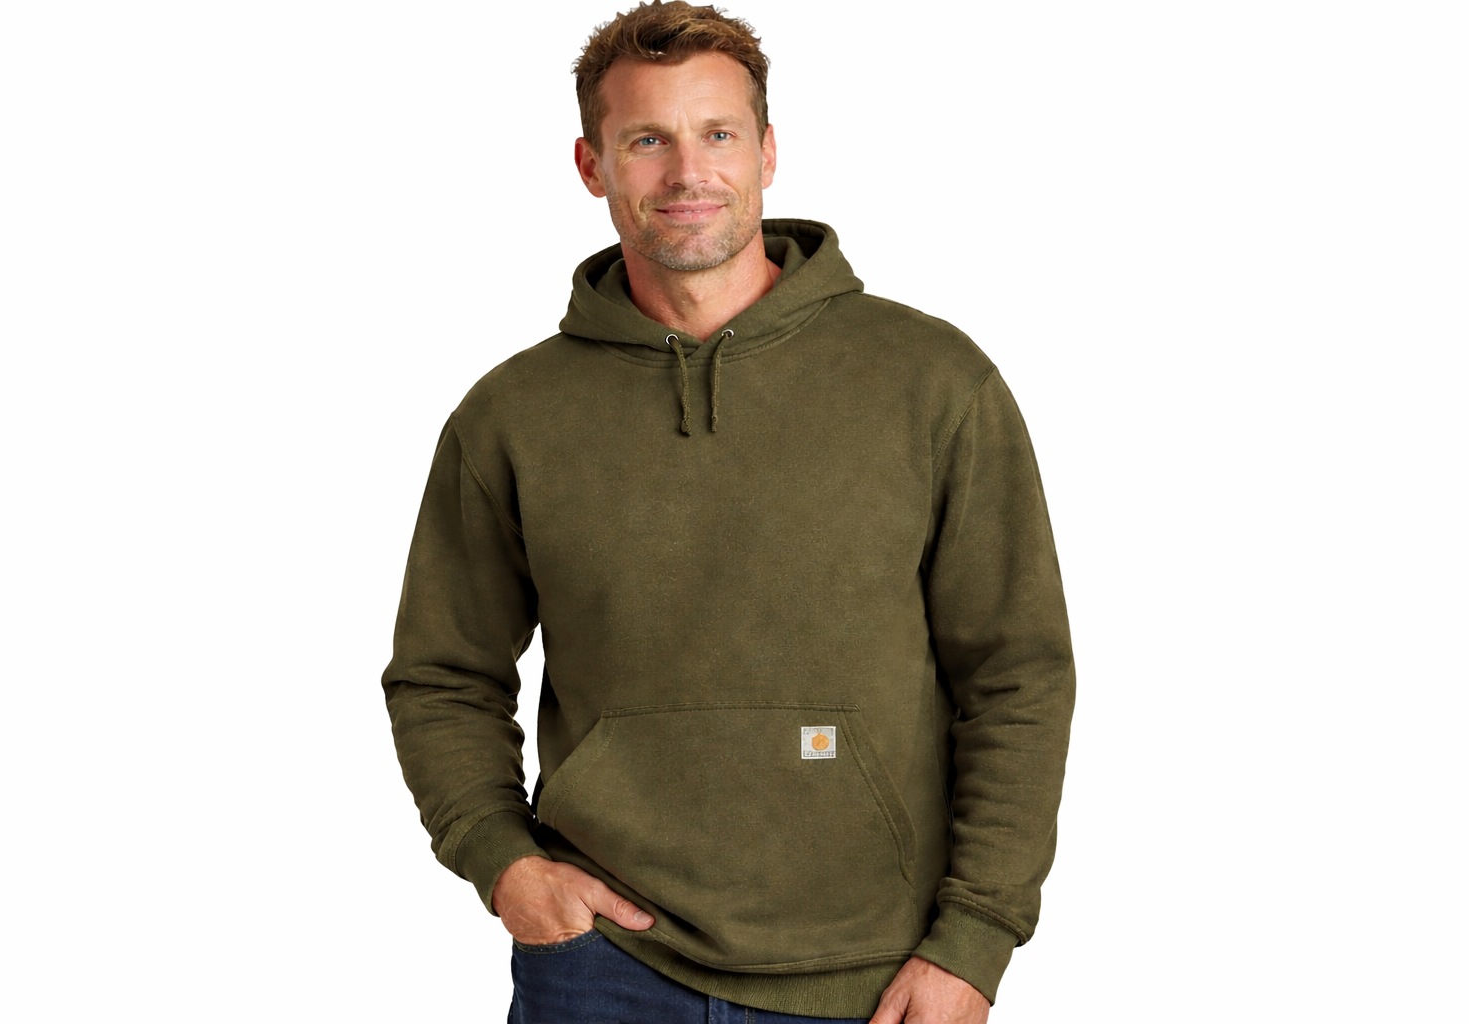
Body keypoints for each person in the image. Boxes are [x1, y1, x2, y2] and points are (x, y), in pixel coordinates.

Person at [382, 3, 1074, 1021]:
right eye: (646, 140)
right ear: (590, 164)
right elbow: (443, 674)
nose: (687, 172)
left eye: (717, 133)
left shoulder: (930, 382)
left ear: (768, 151)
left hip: (873, 974)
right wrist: (503, 863)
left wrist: (975, 941)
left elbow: (1017, 675)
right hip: (600, 966)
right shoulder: (513, 414)